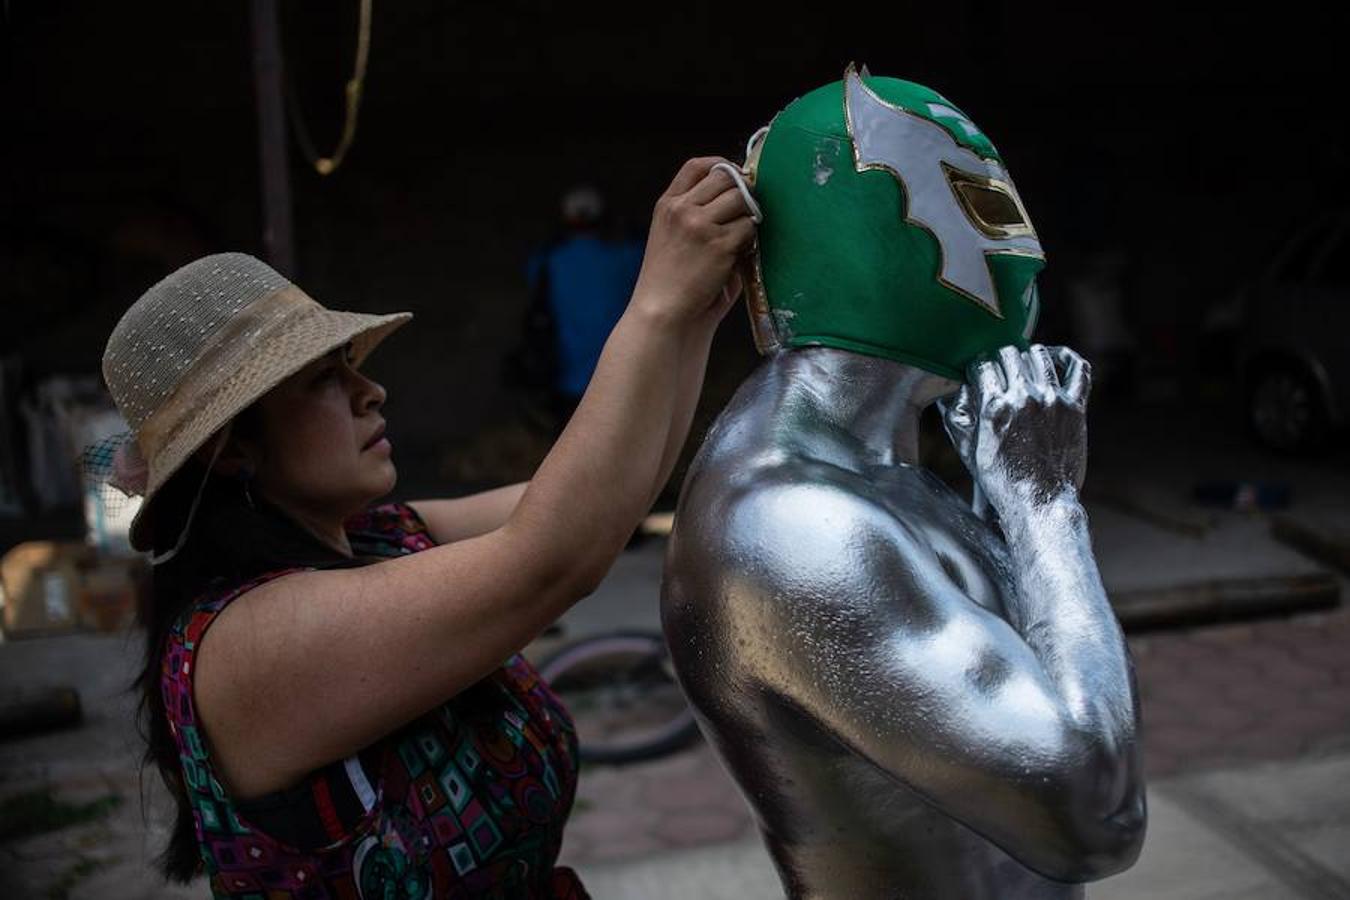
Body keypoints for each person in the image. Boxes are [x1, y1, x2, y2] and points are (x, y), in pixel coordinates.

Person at [98, 156, 757, 898]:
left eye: (351, 365)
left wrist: (698, 314)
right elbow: (553, 556)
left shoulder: (382, 537)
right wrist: (654, 307)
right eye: (324, 380)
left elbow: (605, 501)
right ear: (234, 449)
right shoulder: (242, 647)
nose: (371, 391)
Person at [662, 68, 1146, 899]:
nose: (1026, 252)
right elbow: (1096, 816)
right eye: (988, 208)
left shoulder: (880, 471)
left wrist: (1012, 503)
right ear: (871, 228)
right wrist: (1044, 508)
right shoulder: (792, 521)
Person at [516, 186, 645, 431]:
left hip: (567, 380)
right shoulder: (626, 256)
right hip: (620, 375)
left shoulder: (549, 262)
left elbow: (532, 272)